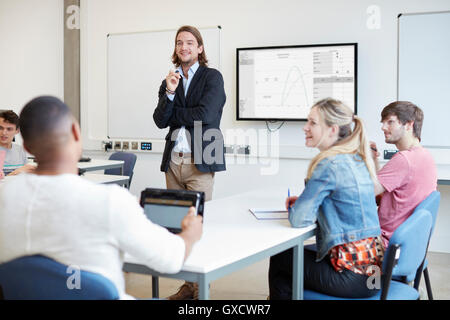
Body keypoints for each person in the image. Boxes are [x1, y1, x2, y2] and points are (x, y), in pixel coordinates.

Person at [0, 96, 203, 300]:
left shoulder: (5, 197)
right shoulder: (110, 201)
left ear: (25, 146)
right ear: (75, 133)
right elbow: (170, 260)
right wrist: (190, 234)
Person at [268, 98, 384, 299]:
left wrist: (300, 207)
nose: (305, 128)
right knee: (292, 258)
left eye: (313, 123)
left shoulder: (330, 164)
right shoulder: (357, 157)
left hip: (353, 277)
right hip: (373, 275)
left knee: (281, 258)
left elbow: (299, 219)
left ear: (332, 130)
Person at [153, 25, 226, 300]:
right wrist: (170, 94)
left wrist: (175, 113)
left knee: (199, 226)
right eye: (179, 42)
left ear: (200, 48)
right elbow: (160, 120)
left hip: (201, 160)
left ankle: (200, 289)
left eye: (190, 42)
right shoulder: (169, 81)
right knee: (176, 227)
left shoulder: (212, 77)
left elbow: (206, 114)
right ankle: (187, 286)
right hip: (173, 161)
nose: (184, 47)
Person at [371, 101, 437, 249]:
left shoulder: (404, 160)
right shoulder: (425, 156)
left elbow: (365, 192)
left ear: (408, 125)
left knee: (312, 258)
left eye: (390, 122)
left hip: (382, 247)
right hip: (409, 249)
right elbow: (383, 192)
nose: (383, 127)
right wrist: (373, 160)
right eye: (383, 122)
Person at [0, 110, 35, 176]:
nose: (4, 133)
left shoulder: (20, 150)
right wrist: (15, 173)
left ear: (17, 131)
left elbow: (25, 175)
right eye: (0, 128)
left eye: (9, 129)